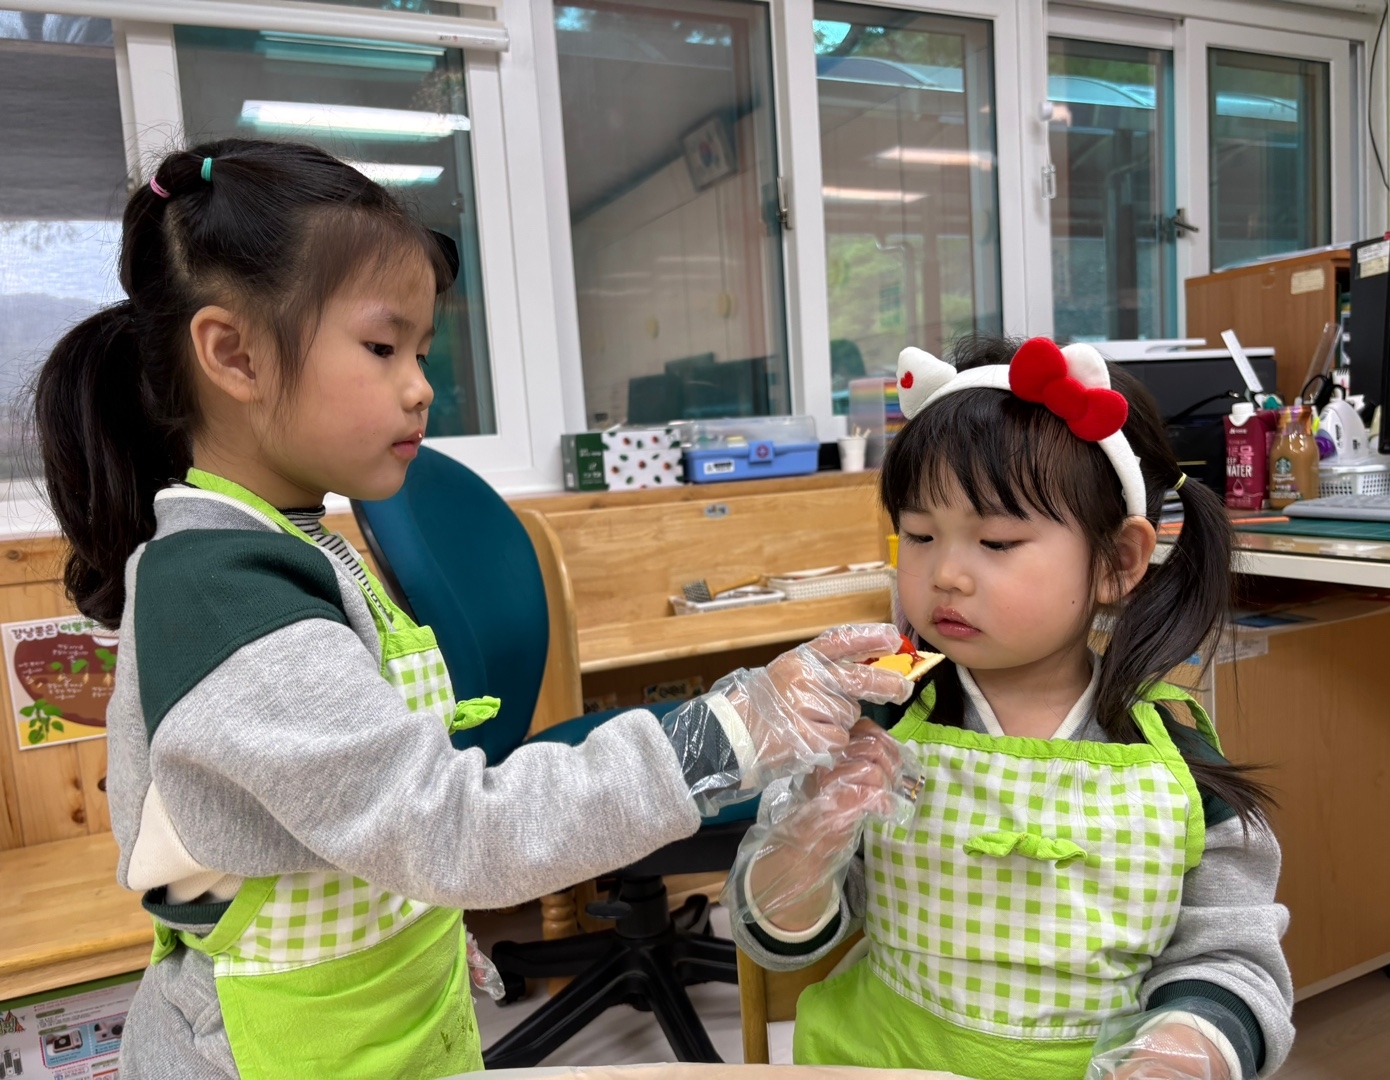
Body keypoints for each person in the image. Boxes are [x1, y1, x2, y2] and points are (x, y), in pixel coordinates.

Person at [33, 138, 913, 1080]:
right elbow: (448, 827)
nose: (421, 387)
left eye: (420, 352)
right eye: (383, 348)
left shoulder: (296, 545)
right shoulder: (223, 596)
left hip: (371, 1018)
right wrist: (729, 731)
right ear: (234, 354)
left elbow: (354, 821)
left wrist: (420, 929)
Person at [725, 335, 1294, 1079]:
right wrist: (807, 841)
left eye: (995, 541)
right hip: (881, 1061)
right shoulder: (880, 720)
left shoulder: (1175, 757)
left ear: (1118, 561)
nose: (946, 574)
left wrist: (1186, 1049)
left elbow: (1232, 961)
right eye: (919, 535)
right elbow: (779, 937)